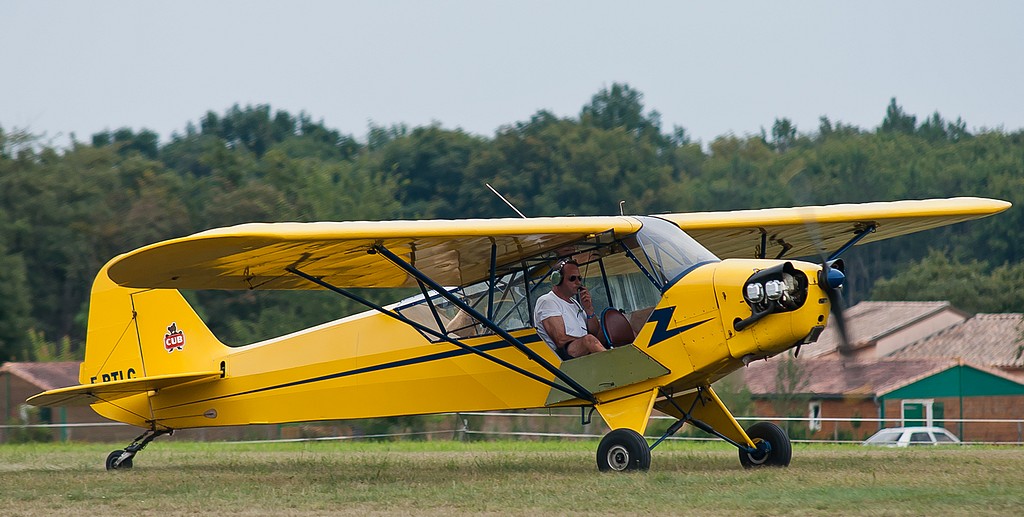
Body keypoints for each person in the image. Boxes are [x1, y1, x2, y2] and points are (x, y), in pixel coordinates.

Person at [534, 260, 606, 360]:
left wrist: (589, 310)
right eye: (572, 278)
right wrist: (587, 342)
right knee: (589, 340)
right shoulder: (548, 301)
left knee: (613, 325)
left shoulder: (575, 303)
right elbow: (560, 340)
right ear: (557, 280)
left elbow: (594, 331)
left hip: (582, 349)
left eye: (579, 278)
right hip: (564, 356)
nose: (578, 283)